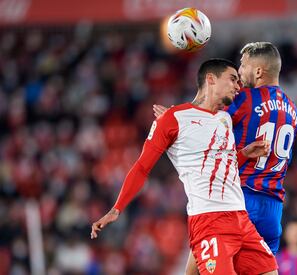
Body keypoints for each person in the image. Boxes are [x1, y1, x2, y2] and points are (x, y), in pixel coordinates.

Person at [91, 58, 278, 275]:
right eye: (233, 79)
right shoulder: (174, 119)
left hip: (240, 216)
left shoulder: (225, 119)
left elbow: (219, 163)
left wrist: (244, 154)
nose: (239, 86)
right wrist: (116, 209)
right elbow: (142, 167)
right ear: (210, 79)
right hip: (210, 220)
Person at [154, 42, 297, 274]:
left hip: (237, 201)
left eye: (243, 66)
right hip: (273, 209)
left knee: (198, 268)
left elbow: (206, 121)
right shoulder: (292, 109)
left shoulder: (244, 99)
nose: (239, 74)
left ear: (259, 71)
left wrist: (176, 120)